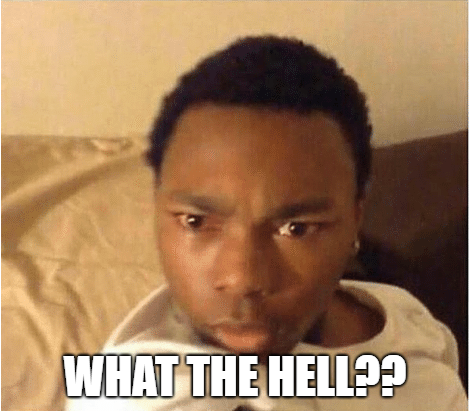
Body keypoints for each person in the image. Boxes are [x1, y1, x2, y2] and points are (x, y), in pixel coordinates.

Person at [66, 36, 467, 410]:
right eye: (196, 221)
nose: (243, 278)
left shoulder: (405, 324)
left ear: (354, 222)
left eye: (297, 229)